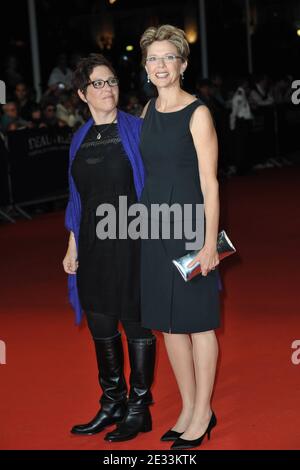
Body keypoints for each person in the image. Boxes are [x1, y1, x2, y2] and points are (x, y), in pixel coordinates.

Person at [63, 53, 156, 442]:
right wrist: (72, 245)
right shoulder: (79, 138)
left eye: (112, 81)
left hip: (133, 241)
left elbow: (156, 186)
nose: (108, 89)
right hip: (92, 243)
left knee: (135, 320)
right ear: (83, 93)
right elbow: (76, 197)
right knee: (101, 321)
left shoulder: (137, 129)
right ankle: (112, 402)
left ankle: (139, 407)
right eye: (98, 84)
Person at [139, 25, 220, 449]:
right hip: (154, 228)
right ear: (146, 67)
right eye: (153, 58)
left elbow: (210, 183)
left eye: (168, 57)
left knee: (198, 322)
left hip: (190, 228)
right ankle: (188, 407)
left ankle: (204, 411)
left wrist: (209, 243)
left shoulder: (198, 113)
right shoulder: (147, 112)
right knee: (168, 325)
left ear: (183, 64)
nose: (160, 65)